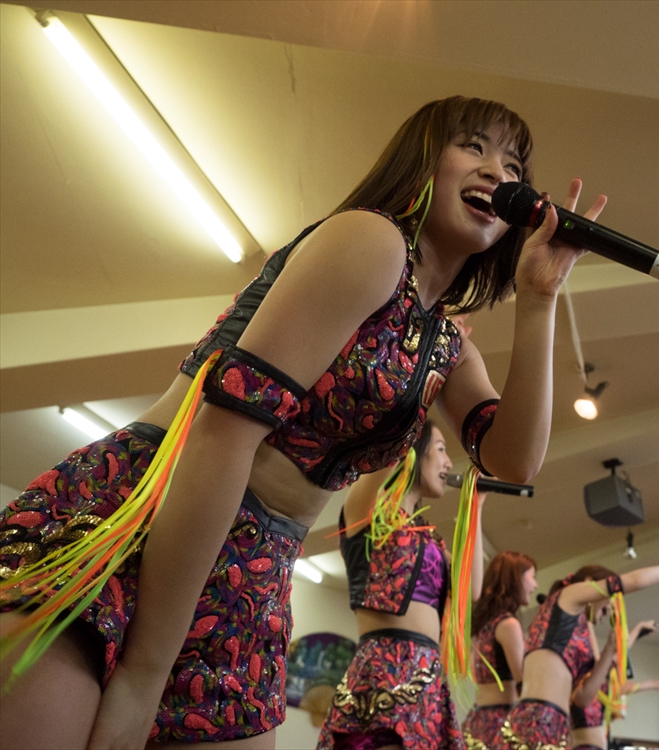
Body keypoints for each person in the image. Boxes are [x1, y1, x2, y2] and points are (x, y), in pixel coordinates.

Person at [0, 95, 605, 748]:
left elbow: (513, 458)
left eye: (513, 166)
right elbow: (223, 431)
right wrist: (145, 675)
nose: (496, 172)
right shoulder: (370, 240)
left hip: (256, 574)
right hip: (150, 514)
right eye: (473, 147)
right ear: (423, 160)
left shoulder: (449, 346)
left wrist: (539, 298)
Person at [319, 420, 480, 748]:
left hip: (427, 673)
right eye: (441, 449)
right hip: (383, 666)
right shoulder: (366, 511)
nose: (449, 462)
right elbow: (391, 441)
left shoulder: (432, 540)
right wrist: (415, 411)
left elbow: (470, 589)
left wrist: (476, 505)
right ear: (414, 451)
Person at [496, 560, 659, 749]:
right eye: (605, 607)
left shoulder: (579, 637)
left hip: (554, 727)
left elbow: (583, 698)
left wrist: (608, 652)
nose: (604, 615)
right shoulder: (567, 596)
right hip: (537, 719)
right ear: (589, 585)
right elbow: (634, 581)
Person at [462, 550, 538, 750]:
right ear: (516, 580)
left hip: (478, 721)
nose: (535, 585)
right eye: (532, 577)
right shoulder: (508, 624)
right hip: (501, 724)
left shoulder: (484, 626)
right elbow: (524, 681)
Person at [569, 620, 659, 750]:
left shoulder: (605, 690)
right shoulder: (582, 688)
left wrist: (639, 628)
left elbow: (620, 652)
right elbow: (611, 654)